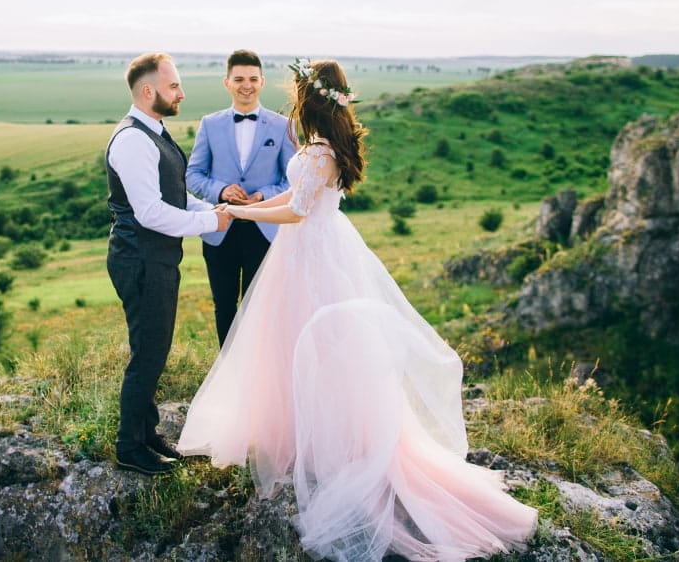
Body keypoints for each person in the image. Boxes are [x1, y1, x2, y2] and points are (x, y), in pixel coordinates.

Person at [177, 59, 538, 560]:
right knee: (290, 346)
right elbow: (288, 196)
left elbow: (297, 211)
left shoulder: (321, 152)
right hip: (305, 251)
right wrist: (240, 209)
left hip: (313, 256)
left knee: (320, 349)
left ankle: (336, 443)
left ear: (311, 100)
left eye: (298, 93)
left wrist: (240, 211)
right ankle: (296, 432)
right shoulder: (319, 148)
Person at [105, 52, 231, 476]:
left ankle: (147, 433)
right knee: (148, 352)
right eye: (173, 85)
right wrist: (208, 222)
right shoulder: (132, 140)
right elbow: (150, 213)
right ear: (148, 91)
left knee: (154, 348)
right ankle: (128, 446)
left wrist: (215, 208)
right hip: (140, 259)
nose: (181, 92)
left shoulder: (154, 132)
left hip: (155, 258)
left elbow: (174, 197)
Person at [186, 49, 296, 346]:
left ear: (262, 82)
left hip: (265, 229)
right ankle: (227, 371)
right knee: (224, 306)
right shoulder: (210, 124)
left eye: (252, 79)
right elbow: (193, 174)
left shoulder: (282, 125)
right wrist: (221, 190)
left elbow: (292, 180)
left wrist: (264, 195)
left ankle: (256, 374)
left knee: (258, 307)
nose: (245, 85)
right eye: (239, 79)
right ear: (227, 83)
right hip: (220, 228)